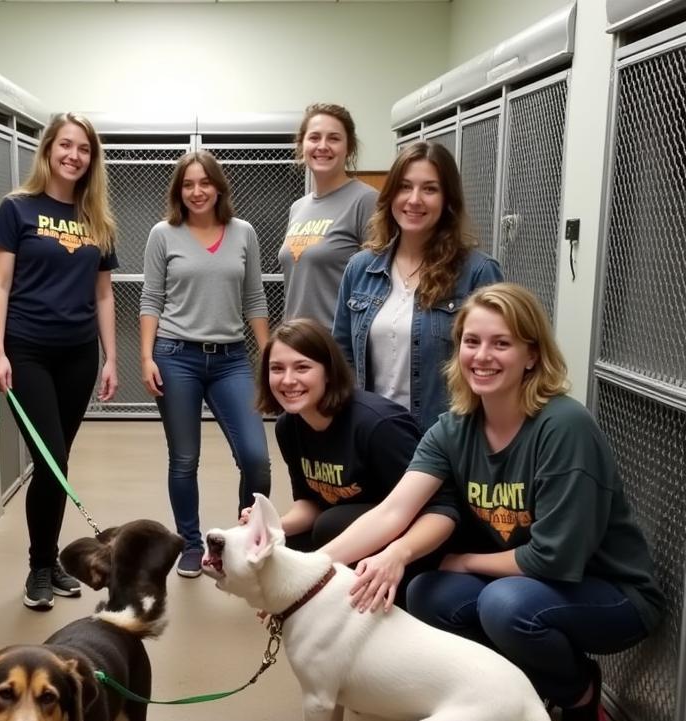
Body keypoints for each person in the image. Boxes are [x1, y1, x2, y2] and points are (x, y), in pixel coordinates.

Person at [322, 283, 663, 721]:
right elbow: (393, 511)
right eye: (471, 341)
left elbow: (553, 557)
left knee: (505, 606)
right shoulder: (455, 426)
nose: (482, 356)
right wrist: (307, 569)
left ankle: (580, 695)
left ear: (531, 355)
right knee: (428, 594)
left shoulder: (563, 426)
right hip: (531, 584)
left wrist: (463, 560)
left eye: (501, 343)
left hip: (610, 594)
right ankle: (518, 693)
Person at [0, 113, 119, 611]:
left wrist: (110, 358)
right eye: (65, 145)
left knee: (55, 465)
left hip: (78, 355)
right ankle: (40, 566)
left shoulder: (97, 219)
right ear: (48, 150)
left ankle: (49, 562)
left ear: (91, 158)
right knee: (52, 460)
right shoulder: (17, 209)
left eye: (83, 149)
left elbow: (104, 294)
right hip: (27, 351)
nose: (73, 156)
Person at [140, 150, 271, 577]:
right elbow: (151, 299)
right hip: (176, 355)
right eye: (188, 184)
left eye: (204, 183)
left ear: (218, 187)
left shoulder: (244, 232)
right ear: (179, 191)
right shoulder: (163, 233)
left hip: (231, 358)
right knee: (184, 459)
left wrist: (270, 357)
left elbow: (254, 298)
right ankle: (191, 546)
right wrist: (146, 356)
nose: (197, 191)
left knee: (256, 459)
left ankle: (242, 539)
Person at [332, 141, 502, 433]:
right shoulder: (360, 268)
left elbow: (497, 364)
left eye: (430, 189)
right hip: (373, 436)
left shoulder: (477, 272)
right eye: (405, 187)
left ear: (448, 199)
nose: (414, 199)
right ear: (390, 195)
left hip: (446, 440)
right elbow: (341, 355)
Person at [254, 317, 424, 559]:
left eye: (302, 367)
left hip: (408, 536)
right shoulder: (288, 426)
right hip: (342, 526)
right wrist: (266, 527)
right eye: (277, 369)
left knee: (329, 525)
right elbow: (310, 504)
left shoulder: (378, 425)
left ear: (328, 372)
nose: (288, 380)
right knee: (280, 546)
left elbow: (425, 506)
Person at [278, 103, 377, 330]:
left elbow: (379, 286)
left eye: (333, 138)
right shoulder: (298, 207)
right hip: (298, 345)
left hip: (337, 350)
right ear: (302, 145)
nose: (322, 146)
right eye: (314, 138)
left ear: (349, 147)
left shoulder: (366, 201)